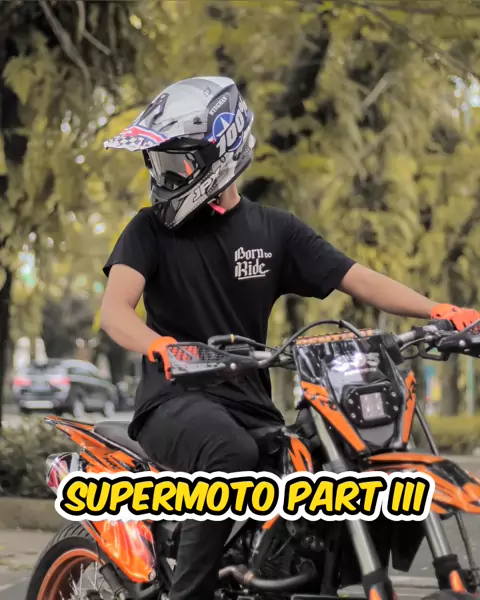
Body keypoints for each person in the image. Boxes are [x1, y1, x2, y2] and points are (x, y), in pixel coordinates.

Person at [100, 76, 480, 600]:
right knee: (229, 453)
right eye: (157, 165)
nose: (163, 178)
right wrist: (160, 346)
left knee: (321, 468)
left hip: (251, 404)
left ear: (221, 154)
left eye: (176, 165)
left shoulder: (274, 229)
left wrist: (439, 310)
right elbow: (115, 312)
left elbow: (356, 277)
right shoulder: (148, 231)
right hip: (173, 401)